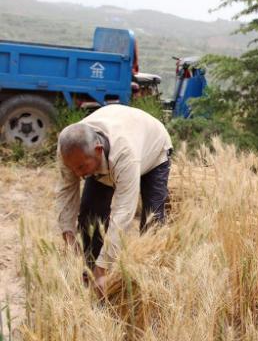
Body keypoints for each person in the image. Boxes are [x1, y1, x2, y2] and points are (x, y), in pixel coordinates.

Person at [56, 104, 172, 295]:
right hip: (112, 150)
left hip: (153, 151)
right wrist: (68, 235)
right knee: (90, 215)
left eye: (82, 167)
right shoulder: (69, 150)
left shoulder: (124, 154)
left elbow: (123, 212)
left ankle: (151, 284)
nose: (77, 174)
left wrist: (104, 268)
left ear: (98, 150)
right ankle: (90, 277)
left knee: (153, 222)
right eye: (73, 168)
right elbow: (66, 192)